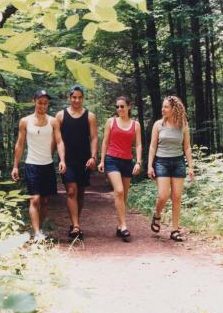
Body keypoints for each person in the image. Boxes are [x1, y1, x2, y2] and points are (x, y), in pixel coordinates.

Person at [11, 89, 66, 242]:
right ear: (34, 101)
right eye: (40, 102)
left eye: (45, 103)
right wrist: (15, 166)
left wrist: (62, 160)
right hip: (32, 165)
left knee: (45, 201)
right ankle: (37, 234)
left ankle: (39, 230)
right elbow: (20, 144)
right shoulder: (25, 121)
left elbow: (60, 141)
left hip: (47, 164)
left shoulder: (53, 121)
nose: (43, 106)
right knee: (34, 199)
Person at [147, 95, 194, 242]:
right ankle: (157, 214)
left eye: (166, 107)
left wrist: (191, 166)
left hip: (178, 162)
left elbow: (186, 147)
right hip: (162, 162)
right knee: (163, 195)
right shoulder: (158, 125)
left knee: (177, 197)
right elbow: (153, 146)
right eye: (163, 106)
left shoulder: (183, 124)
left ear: (174, 109)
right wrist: (149, 165)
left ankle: (174, 230)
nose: (163, 109)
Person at [55, 84, 98, 240]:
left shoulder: (90, 116)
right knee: (71, 191)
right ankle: (76, 226)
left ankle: (75, 223)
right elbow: (57, 139)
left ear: (83, 98)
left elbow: (93, 138)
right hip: (67, 160)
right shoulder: (60, 116)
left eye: (79, 97)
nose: (77, 100)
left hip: (84, 160)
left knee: (80, 193)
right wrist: (58, 159)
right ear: (69, 98)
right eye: (74, 97)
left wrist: (93, 157)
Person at [98, 95, 142, 242]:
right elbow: (105, 142)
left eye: (122, 106)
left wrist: (138, 162)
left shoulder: (135, 125)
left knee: (124, 195)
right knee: (119, 191)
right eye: (117, 107)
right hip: (112, 160)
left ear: (129, 106)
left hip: (127, 161)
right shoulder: (111, 122)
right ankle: (124, 226)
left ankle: (119, 226)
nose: (119, 109)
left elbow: (138, 145)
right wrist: (102, 160)